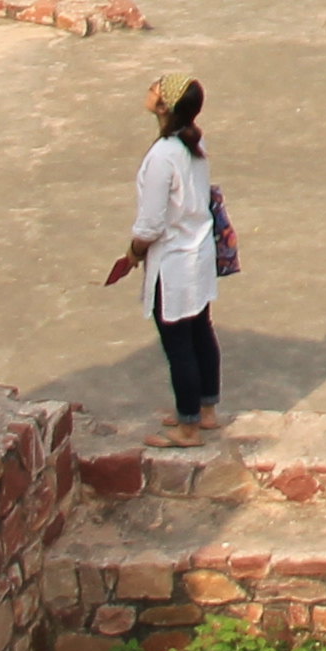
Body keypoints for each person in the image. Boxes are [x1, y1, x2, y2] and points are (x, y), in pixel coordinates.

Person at [103, 72, 225, 443]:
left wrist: (133, 252)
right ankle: (205, 410)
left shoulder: (162, 157)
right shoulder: (192, 148)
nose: (151, 87)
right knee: (200, 329)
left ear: (163, 106)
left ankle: (188, 426)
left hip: (173, 260)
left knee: (178, 343)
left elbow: (151, 223)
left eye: (156, 87)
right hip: (198, 253)